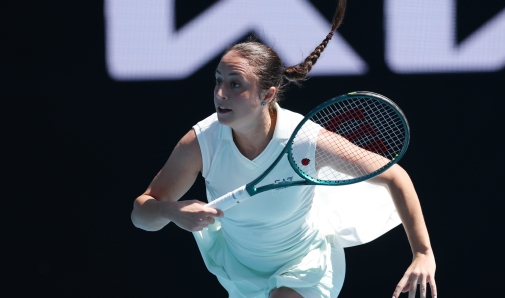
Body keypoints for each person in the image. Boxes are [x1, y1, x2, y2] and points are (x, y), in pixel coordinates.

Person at [131, 0, 437, 297]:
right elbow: (141, 213)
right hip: (240, 271)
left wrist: (423, 253)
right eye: (218, 81)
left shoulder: (303, 139)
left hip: (306, 265)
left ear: (267, 94)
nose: (220, 93)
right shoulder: (203, 141)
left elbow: (394, 175)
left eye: (236, 84)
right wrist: (172, 210)